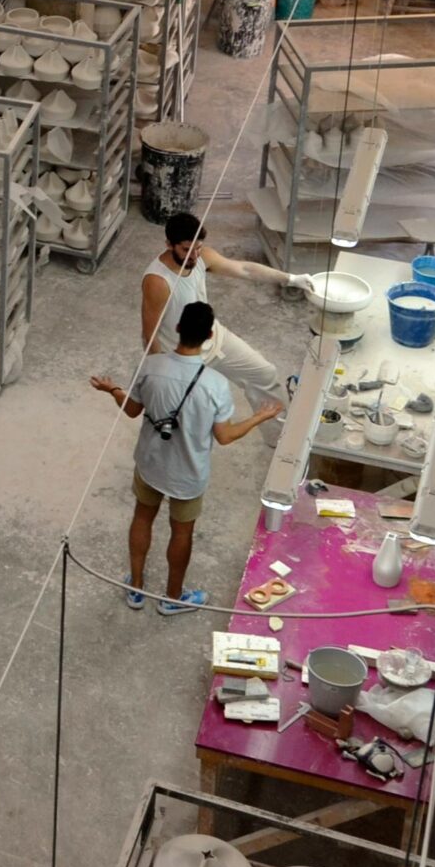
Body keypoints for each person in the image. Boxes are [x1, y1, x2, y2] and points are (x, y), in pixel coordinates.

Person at [91, 301, 284, 613]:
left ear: (178, 328)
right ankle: (172, 597)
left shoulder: (151, 366)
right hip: (188, 473)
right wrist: (260, 417)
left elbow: (132, 410)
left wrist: (112, 389)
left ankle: (136, 588)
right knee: (182, 532)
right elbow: (225, 436)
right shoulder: (216, 385)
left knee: (142, 517)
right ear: (209, 335)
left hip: (151, 463)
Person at [140, 210, 297, 412]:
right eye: (187, 250)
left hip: (213, 338)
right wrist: (161, 372)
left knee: (265, 373)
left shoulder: (201, 256)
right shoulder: (158, 281)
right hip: (181, 356)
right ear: (169, 245)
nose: (194, 256)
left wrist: (290, 279)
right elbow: (149, 334)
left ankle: (280, 438)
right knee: (187, 414)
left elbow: (244, 269)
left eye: (198, 248)